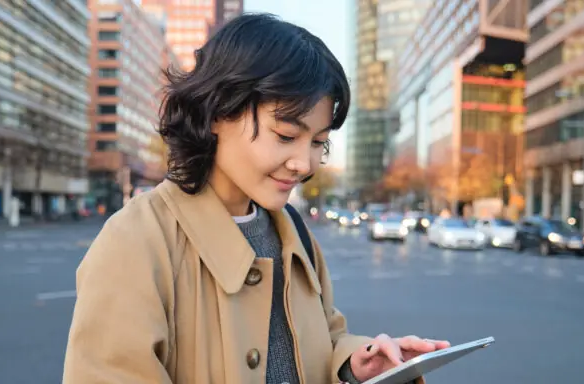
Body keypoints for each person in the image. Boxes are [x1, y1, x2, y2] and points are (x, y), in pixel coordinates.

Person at [62, 13, 449, 384]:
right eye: (285, 135)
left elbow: (323, 336)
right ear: (217, 112)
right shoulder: (137, 240)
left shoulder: (295, 232)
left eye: (318, 143)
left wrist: (353, 363)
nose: (303, 163)